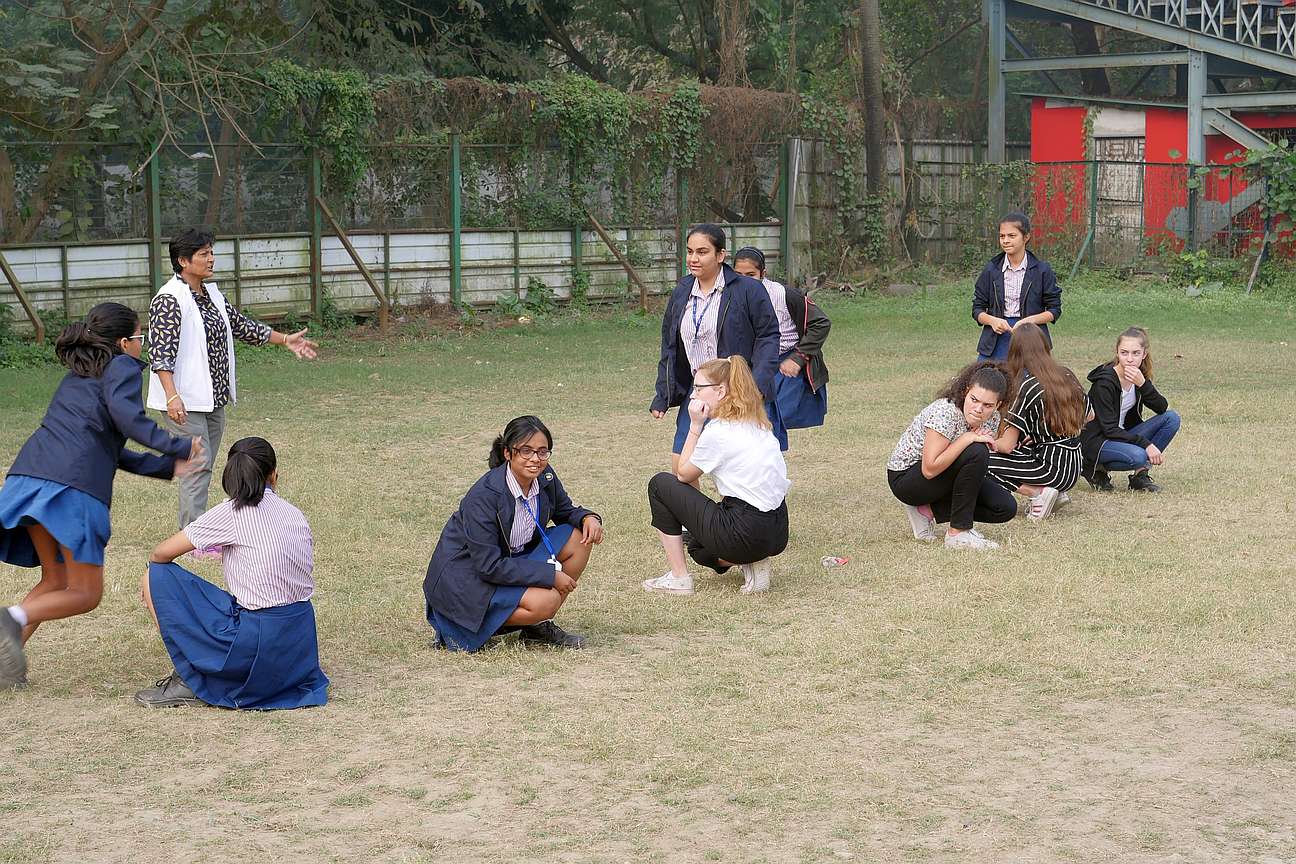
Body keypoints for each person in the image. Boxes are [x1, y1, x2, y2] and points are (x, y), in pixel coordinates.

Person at [0, 303, 200, 688]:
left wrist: (163, 466)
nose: (141, 346)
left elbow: (107, 447)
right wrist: (175, 446)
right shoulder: (122, 366)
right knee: (86, 594)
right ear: (125, 342)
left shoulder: (79, 374)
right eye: (140, 338)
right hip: (70, 490)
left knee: (55, 580)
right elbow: (128, 420)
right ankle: (11, 618)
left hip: (31, 478)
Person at [147, 227, 319, 553]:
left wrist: (285, 340)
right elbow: (161, 353)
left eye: (211, 252)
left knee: (206, 464)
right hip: (185, 401)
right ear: (183, 261)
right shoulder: (169, 299)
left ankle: (211, 528)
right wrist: (171, 395)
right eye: (203, 254)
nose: (211, 258)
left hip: (213, 397)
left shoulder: (211, 294)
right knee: (197, 465)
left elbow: (242, 326)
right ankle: (193, 539)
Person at [135, 437, 329, 709]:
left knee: (154, 576)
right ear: (274, 474)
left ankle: (188, 679)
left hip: (260, 641)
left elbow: (160, 554)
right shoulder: (294, 513)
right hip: (299, 645)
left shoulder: (231, 511)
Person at [423, 416, 603, 652]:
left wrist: (588, 517)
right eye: (525, 451)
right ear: (508, 453)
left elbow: (565, 511)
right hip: (470, 575)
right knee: (547, 601)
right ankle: (471, 626)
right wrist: (549, 576)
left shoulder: (544, 476)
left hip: (512, 560)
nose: (535, 459)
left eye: (542, 451)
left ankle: (534, 625)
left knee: (579, 537)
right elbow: (488, 565)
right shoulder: (484, 496)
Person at [644, 355, 790, 595]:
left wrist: (694, 426)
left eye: (699, 388)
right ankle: (753, 560)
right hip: (777, 531)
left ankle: (679, 578)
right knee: (699, 548)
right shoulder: (758, 423)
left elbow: (683, 473)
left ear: (721, 390)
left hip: (747, 530)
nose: (693, 395)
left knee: (660, 484)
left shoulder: (719, 431)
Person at [651, 224, 780, 471]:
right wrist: (663, 395)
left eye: (702, 252)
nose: (693, 259)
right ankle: (697, 512)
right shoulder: (681, 291)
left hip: (737, 391)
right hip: (699, 390)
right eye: (689, 252)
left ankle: (742, 510)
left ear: (720, 255)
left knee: (740, 466)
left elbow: (768, 336)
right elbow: (670, 346)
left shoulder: (748, 290)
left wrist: (757, 385)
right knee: (682, 468)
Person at [886, 361, 1017, 550]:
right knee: (976, 450)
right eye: (974, 399)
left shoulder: (993, 418)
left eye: (988, 405)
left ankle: (926, 512)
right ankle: (958, 533)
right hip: (907, 479)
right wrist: (967, 438)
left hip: (943, 474)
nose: (979, 409)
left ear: (999, 404)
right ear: (965, 391)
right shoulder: (945, 412)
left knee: (1004, 507)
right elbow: (929, 469)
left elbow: (971, 466)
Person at [987, 323, 1090, 521]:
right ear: (1045, 346)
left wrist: (980, 440)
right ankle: (1055, 493)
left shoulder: (1025, 385)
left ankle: (1037, 493)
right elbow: (1089, 415)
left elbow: (1007, 446)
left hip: (1049, 466)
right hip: (1074, 464)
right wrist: (1040, 434)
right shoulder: (1067, 374)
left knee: (978, 460)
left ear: (1014, 351)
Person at [731, 246, 830, 451]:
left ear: (763, 274)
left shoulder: (783, 295)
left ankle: (770, 462)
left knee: (768, 418)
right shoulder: (729, 296)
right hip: (753, 364)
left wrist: (798, 358)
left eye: (751, 275)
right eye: (738, 275)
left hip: (784, 364)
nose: (745, 280)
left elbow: (820, 323)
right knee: (749, 419)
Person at [1080, 327, 1181, 493]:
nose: (1129, 359)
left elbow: (1161, 407)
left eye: (1135, 353)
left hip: (1122, 435)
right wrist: (1146, 444)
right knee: (1139, 456)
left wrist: (1143, 384)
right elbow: (1109, 429)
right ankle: (1096, 469)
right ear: (1117, 352)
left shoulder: (1138, 376)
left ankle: (1140, 476)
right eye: (1124, 353)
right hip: (1099, 440)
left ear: (1144, 354)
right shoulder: (1104, 383)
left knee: (1171, 418)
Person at [972, 212, 1062, 361]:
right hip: (995, 340)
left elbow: (1054, 310)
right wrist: (992, 321)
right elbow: (977, 309)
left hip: (1031, 338)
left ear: (1026, 237)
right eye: (1002, 236)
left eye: (1011, 236)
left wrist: (1029, 321)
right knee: (986, 381)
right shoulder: (991, 269)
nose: (1005, 241)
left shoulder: (1042, 270)